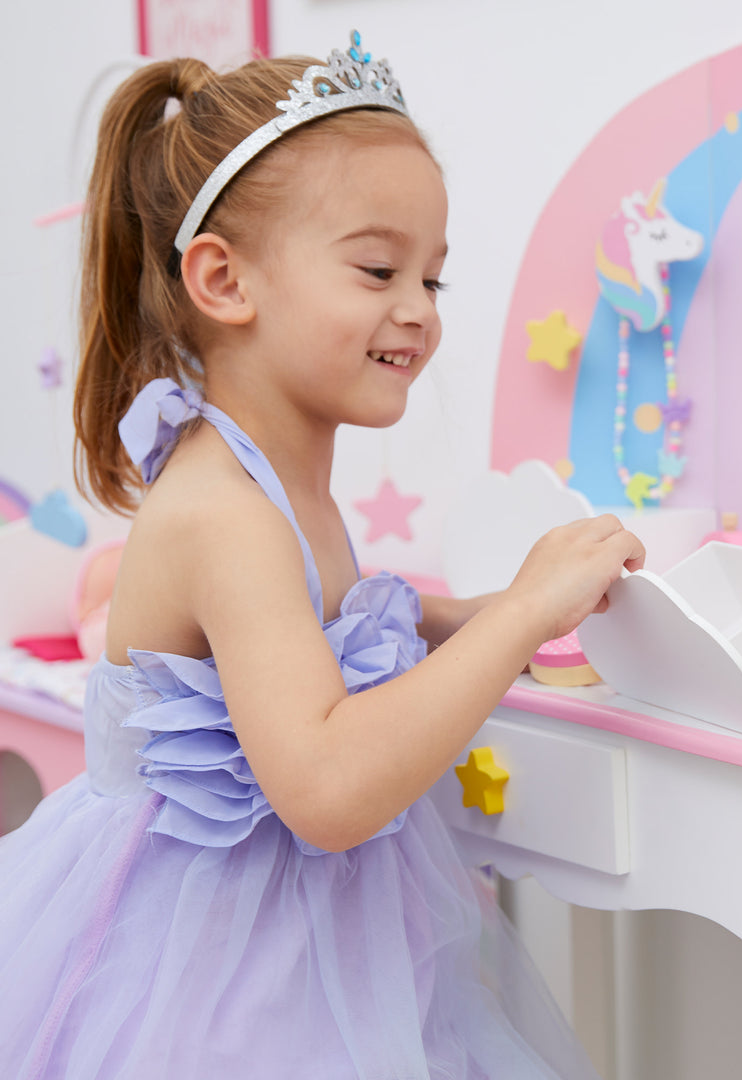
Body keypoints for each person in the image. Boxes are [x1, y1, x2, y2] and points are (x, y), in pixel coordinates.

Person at [0, 32, 644, 1078]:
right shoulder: (225, 511)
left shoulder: (280, 478)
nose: (419, 313)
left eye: (433, 279)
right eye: (379, 269)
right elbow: (330, 787)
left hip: (307, 944)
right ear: (223, 279)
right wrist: (523, 613)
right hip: (213, 981)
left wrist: (483, 612)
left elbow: (333, 627)